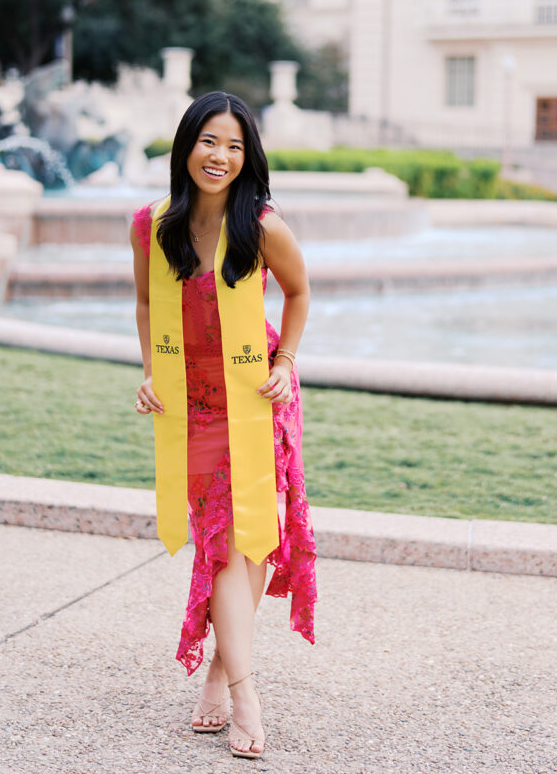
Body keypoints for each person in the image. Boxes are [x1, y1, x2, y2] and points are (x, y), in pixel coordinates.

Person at [130, 91, 317, 760]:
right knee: (225, 546)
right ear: (187, 146)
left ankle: (238, 687)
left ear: (249, 156)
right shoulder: (152, 226)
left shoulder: (262, 225)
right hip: (193, 405)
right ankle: (226, 672)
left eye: (235, 145)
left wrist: (287, 361)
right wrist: (152, 372)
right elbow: (149, 307)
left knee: (245, 541)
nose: (221, 156)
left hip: (253, 395)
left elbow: (298, 291)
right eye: (210, 141)